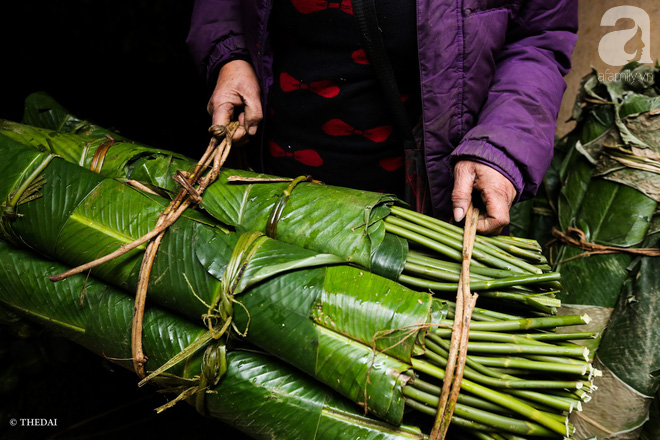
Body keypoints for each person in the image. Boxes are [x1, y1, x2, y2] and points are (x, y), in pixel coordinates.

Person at [186, 0, 578, 235]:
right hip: (268, 180)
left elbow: (540, 39)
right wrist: (230, 56)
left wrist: (499, 145)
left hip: (424, 205)